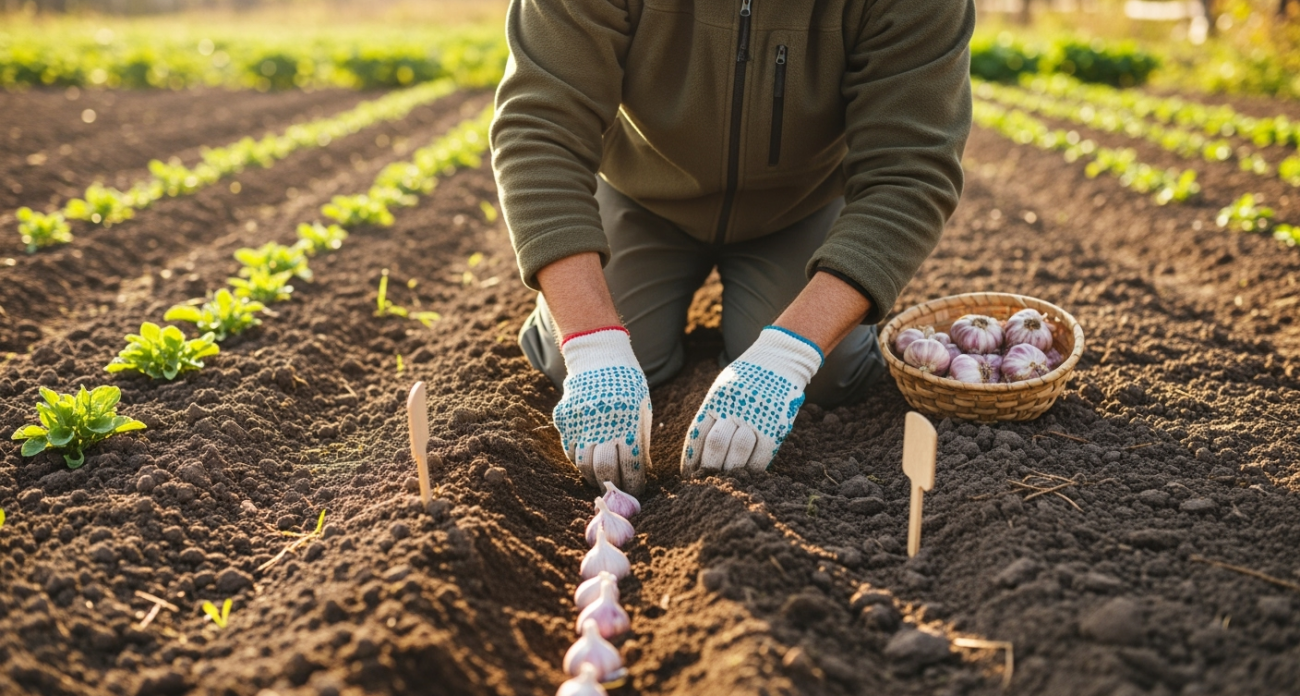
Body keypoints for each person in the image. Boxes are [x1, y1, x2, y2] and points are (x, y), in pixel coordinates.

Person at [490, 0, 974, 494]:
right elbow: (539, 129)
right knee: (566, 359)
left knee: (831, 381)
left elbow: (910, 171)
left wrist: (789, 355)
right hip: (644, 194)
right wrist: (592, 344)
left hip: (799, 206)